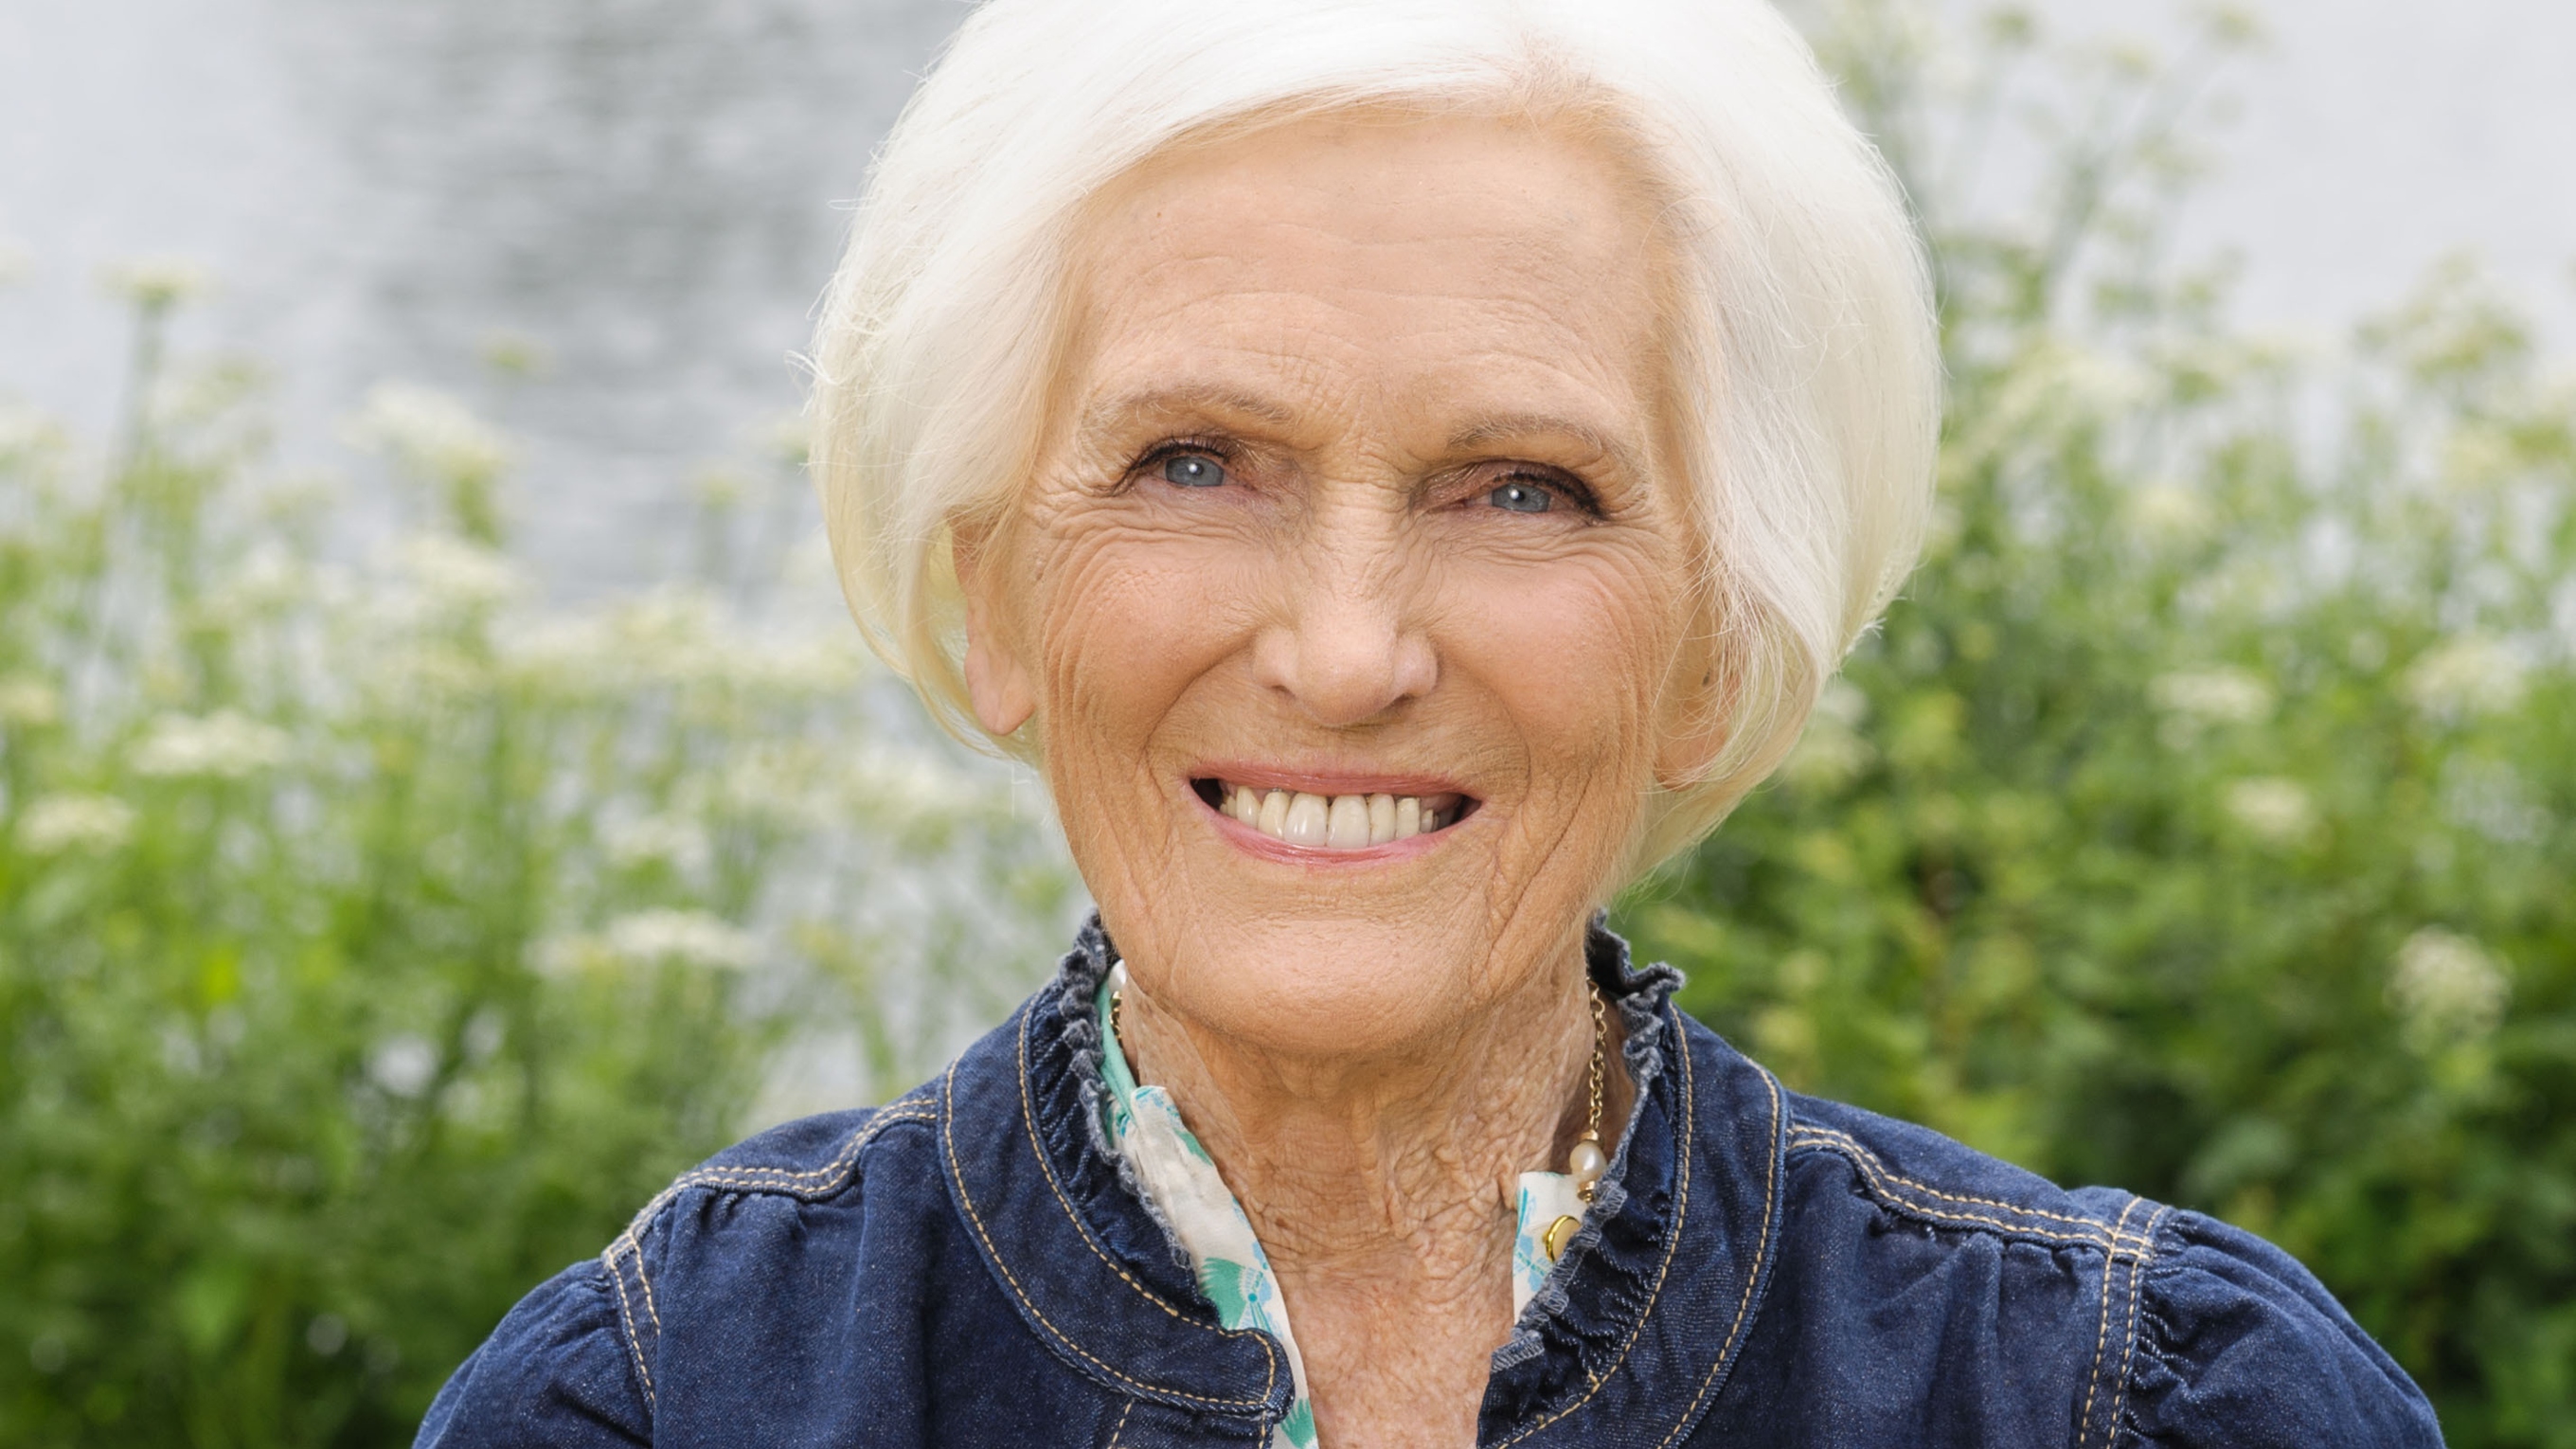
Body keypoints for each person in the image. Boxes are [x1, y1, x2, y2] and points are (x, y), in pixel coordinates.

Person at [417, 1, 2443, 1444]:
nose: (1346, 649)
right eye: (1194, 462)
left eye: (1523, 489)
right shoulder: (660, 1399)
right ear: (993, 599)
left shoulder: (2135, 1402)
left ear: (1719, 641)